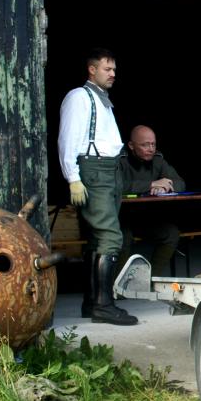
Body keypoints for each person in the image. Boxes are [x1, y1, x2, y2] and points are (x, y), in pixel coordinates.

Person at [57, 48, 138, 325]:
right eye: (108, 69)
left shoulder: (103, 100)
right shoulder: (79, 97)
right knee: (111, 238)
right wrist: (73, 177)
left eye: (114, 69)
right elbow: (67, 139)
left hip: (109, 171)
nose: (113, 74)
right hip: (94, 171)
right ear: (92, 70)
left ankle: (92, 303)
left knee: (98, 239)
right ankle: (104, 306)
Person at [119, 125, 187, 279]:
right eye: (144, 145)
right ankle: (117, 286)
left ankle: (151, 280)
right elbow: (117, 186)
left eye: (153, 144)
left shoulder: (158, 160)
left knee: (171, 234)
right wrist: (151, 185)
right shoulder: (120, 160)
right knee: (123, 238)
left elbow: (180, 183)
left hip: (146, 218)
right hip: (121, 218)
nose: (150, 148)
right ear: (131, 145)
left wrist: (165, 188)